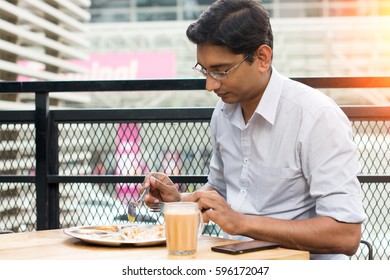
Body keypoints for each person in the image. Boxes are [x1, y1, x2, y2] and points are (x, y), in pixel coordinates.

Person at [142, 0, 366, 260]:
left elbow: (346, 234)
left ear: (262, 57)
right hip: (236, 263)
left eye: (221, 71)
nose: (210, 85)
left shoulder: (316, 117)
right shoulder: (223, 113)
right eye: (204, 70)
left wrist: (242, 222)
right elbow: (222, 192)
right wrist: (180, 201)